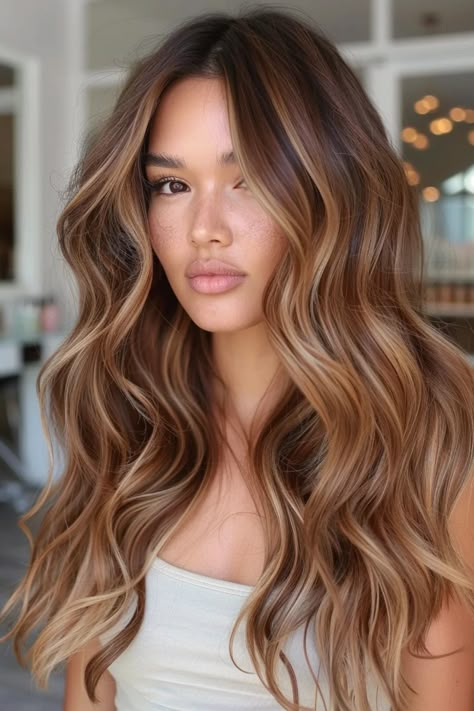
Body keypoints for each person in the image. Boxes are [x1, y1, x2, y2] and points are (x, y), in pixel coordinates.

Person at [1, 7, 474, 711]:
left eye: (248, 177)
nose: (205, 230)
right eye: (172, 184)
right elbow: (90, 692)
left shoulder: (430, 428)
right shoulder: (130, 410)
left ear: (330, 189)